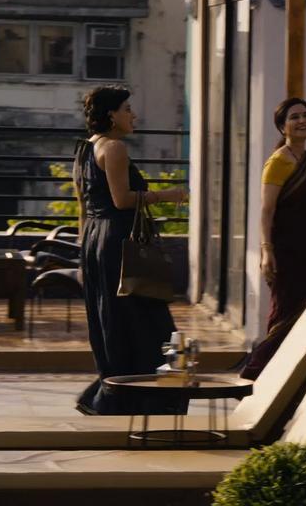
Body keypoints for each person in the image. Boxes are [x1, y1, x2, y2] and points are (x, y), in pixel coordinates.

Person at [73, 85, 189, 415]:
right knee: (146, 320)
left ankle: (115, 393)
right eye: (127, 109)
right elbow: (122, 200)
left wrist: (83, 252)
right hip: (120, 243)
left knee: (114, 319)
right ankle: (143, 398)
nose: (133, 115)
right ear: (111, 114)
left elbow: (83, 206)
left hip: (96, 240)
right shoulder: (114, 148)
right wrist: (169, 194)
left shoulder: (84, 149)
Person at [240, 98, 306, 380]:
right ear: (283, 127)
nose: (302, 121)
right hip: (287, 252)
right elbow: (266, 210)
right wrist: (267, 251)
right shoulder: (279, 161)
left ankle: (292, 379)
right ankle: (253, 375)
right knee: (284, 318)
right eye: (294, 117)